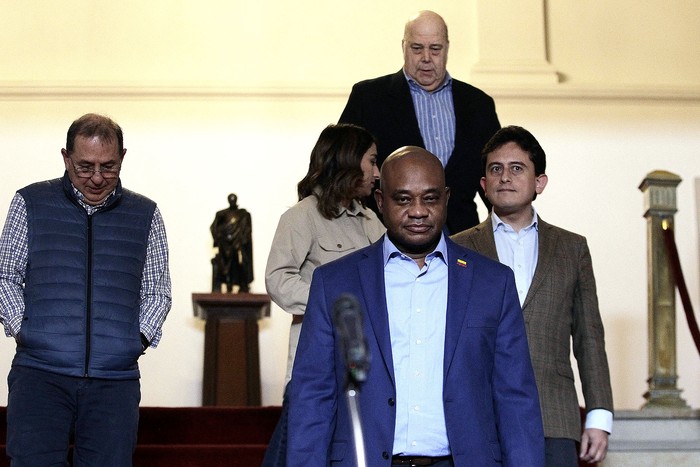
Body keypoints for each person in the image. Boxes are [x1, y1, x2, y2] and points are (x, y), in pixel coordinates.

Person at [287, 146, 544, 466]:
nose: (418, 211)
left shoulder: (493, 283)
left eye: (431, 198)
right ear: (380, 202)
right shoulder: (335, 283)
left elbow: (515, 400)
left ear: (447, 199)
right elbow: (312, 398)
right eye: (403, 199)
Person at [0, 113, 172, 466]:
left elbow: (158, 290)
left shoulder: (146, 213)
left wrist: (133, 341)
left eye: (108, 167)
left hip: (114, 382)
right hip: (39, 375)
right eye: (85, 167)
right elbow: (5, 276)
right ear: (66, 157)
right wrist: (25, 331)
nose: (96, 178)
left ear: (123, 157)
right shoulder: (29, 203)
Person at [451, 126, 614, 466]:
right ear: (483, 185)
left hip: (553, 416)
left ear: (539, 182)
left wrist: (599, 415)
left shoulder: (572, 248)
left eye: (517, 168)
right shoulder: (458, 248)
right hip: (477, 418)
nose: (505, 177)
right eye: (495, 169)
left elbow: (589, 337)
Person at [262, 123, 386, 465]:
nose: (377, 173)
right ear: (348, 160)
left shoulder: (373, 223)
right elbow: (278, 280)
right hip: (313, 367)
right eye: (372, 161)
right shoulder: (301, 217)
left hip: (368, 371)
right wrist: (338, 306)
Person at [339, 10, 500, 234]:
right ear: (403, 46)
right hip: (385, 236)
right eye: (417, 48)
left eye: (435, 49)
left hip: (460, 237)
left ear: (447, 48)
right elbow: (340, 166)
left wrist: (509, 234)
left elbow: (494, 178)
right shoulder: (368, 97)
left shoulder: (478, 104)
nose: (426, 57)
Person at [210, 193, 253, 293]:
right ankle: (228, 285)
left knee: (239, 264)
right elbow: (213, 227)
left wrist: (242, 240)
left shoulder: (243, 214)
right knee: (224, 266)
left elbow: (247, 230)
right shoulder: (221, 214)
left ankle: (242, 286)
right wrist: (219, 237)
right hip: (225, 246)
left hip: (237, 245)